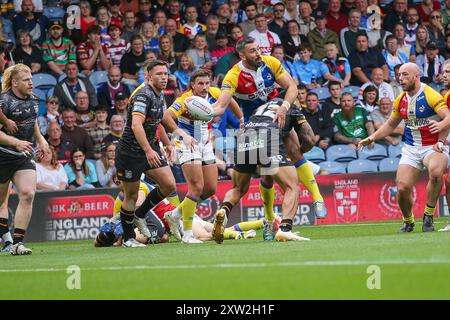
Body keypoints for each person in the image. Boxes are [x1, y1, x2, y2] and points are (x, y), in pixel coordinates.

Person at [210, 37, 322, 243]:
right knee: (291, 186)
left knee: (240, 188)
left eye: (259, 49)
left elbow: (292, 87)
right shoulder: (233, 76)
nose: (258, 53)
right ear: (242, 55)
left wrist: (284, 107)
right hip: (269, 130)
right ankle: (285, 227)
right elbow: (220, 106)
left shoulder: (270, 62)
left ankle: (224, 211)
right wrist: (206, 112)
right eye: (252, 51)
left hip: (249, 133)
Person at [359, 62, 450, 233]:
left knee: (436, 172)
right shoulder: (400, 99)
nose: (400, 78)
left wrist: (441, 125)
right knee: (401, 187)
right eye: (399, 75)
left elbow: (448, 116)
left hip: (433, 146)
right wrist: (371, 137)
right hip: (411, 148)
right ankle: (408, 221)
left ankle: (428, 215)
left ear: (416, 76)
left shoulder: (430, 95)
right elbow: (391, 124)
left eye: (405, 75)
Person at [162, 69, 242, 243]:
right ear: (192, 84)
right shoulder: (184, 99)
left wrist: (241, 118)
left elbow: (230, 101)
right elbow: (166, 116)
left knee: (210, 188)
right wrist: (179, 133)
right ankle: (188, 234)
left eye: (207, 83)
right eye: (200, 84)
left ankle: (175, 214)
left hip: (205, 143)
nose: (205, 87)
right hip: (186, 142)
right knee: (196, 187)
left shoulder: (214, 92)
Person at [115, 60, 178, 248]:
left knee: (169, 185)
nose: (164, 77)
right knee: (131, 195)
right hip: (131, 153)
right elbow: (136, 124)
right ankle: (128, 239)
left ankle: (140, 214)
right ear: (148, 76)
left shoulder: (160, 95)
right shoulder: (143, 95)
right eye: (159, 74)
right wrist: (148, 150)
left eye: (165, 74)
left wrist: (167, 144)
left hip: (150, 148)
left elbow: (158, 121)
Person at [94, 180, 261, 247]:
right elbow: (118, 223)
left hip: (176, 220)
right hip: (179, 217)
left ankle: (240, 236)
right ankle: (259, 225)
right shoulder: (126, 197)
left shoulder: (139, 189)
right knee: (215, 230)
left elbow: (135, 215)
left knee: (206, 236)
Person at [0, 63, 49, 255]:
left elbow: (32, 121)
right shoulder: (3, 102)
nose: (31, 83)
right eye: (26, 80)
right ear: (14, 82)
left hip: (23, 155)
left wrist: (41, 140)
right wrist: (15, 142)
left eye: (31, 79)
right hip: (3, 155)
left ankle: (17, 244)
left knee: (28, 193)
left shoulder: (34, 100)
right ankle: (5, 237)